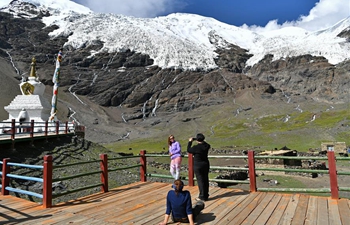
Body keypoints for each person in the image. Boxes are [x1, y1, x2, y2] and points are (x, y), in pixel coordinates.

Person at [187, 133, 210, 201]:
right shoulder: (206, 146)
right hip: (205, 164)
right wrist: (201, 140)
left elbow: (188, 150)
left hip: (198, 165)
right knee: (205, 179)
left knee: (200, 180)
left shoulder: (195, 148)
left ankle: (202, 196)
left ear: (197, 140)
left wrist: (190, 142)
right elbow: (207, 144)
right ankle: (206, 195)